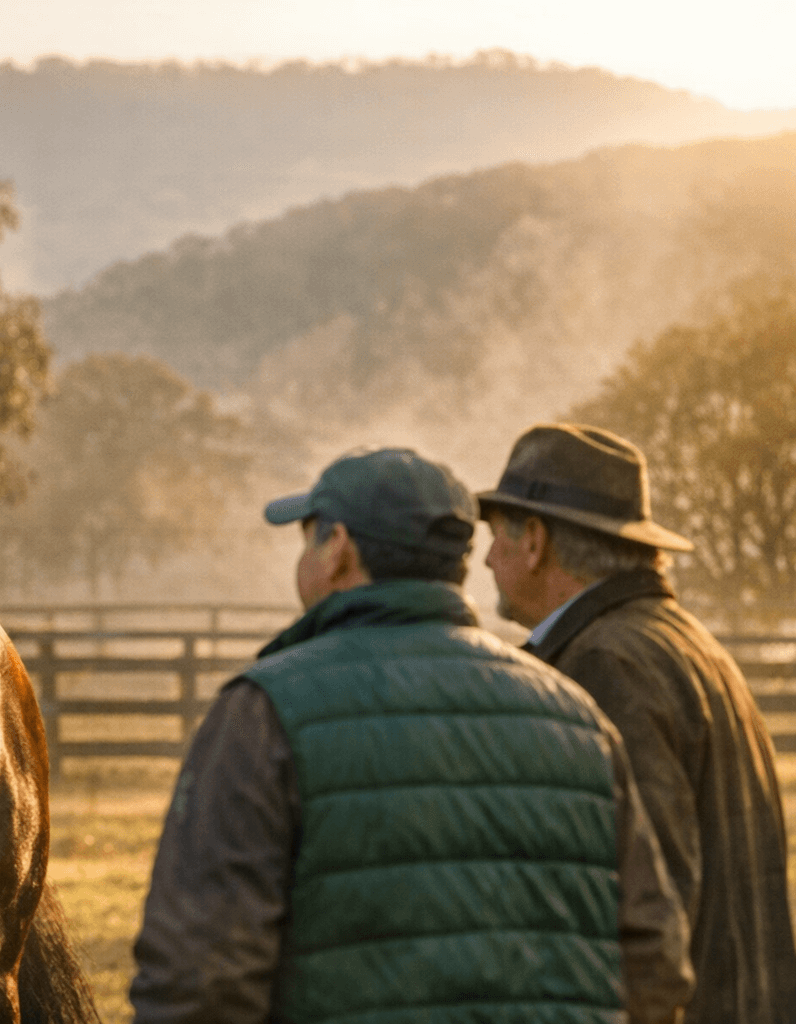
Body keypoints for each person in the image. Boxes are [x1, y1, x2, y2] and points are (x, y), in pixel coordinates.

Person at [130, 446, 692, 1024]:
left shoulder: (264, 713)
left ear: (337, 549)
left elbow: (201, 979)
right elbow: (655, 958)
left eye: (307, 539)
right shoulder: (576, 718)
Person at [479, 422, 796, 1024]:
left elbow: (647, 912)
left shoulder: (606, 665)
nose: (489, 558)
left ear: (535, 541)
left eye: (496, 536)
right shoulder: (687, 644)